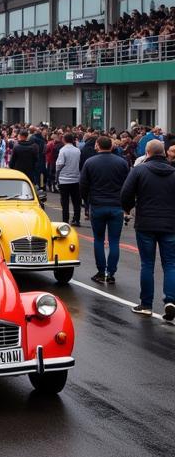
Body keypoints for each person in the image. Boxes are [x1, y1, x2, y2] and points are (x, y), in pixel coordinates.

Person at [120, 138, 175, 319]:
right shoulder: (173, 172)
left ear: (148, 153)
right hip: (170, 223)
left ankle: (146, 304)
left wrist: (128, 209)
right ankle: (171, 300)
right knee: (170, 264)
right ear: (165, 153)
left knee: (147, 264)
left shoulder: (139, 170)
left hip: (145, 223)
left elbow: (126, 193)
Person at [80, 135, 129, 285]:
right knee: (114, 241)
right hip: (116, 205)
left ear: (98, 146)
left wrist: (86, 204)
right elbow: (127, 185)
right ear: (112, 146)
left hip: (98, 204)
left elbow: (83, 185)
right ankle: (111, 272)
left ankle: (101, 272)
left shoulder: (90, 162)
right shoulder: (122, 162)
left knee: (99, 240)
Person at [54, 132, 82, 226]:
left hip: (64, 179)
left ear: (64, 140)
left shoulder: (63, 150)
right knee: (76, 201)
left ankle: (65, 220)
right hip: (75, 178)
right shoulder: (77, 150)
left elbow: (59, 164)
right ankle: (76, 219)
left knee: (65, 201)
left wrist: (56, 175)